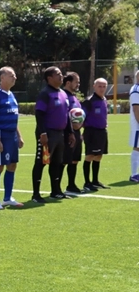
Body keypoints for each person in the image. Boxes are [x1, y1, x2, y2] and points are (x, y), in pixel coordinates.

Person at [30, 66, 74, 202]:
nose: (61, 76)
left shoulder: (63, 93)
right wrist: (42, 133)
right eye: (58, 74)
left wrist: (70, 133)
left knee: (57, 163)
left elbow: (66, 115)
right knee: (41, 163)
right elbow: (39, 114)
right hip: (48, 134)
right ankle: (36, 195)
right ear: (49, 78)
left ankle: (56, 191)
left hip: (60, 135)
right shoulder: (45, 93)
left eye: (61, 74)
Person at [0, 67, 24, 209]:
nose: (14, 77)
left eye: (14, 75)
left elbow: (14, 118)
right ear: (2, 77)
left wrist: (19, 136)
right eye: (11, 75)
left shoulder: (11, 95)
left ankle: (7, 197)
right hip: (2, 134)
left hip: (12, 136)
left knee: (12, 165)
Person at [82, 78, 109, 189]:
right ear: (94, 86)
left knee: (99, 156)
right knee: (90, 156)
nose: (102, 88)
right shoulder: (89, 101)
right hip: (91, 132)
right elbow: (81, 117)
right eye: (99, 86)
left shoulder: (104, 99)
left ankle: (95, 181)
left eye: (104, 86)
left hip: (102, 132)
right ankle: (87, 183)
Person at [61, 72, 84, 196]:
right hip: (67, 133)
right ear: (68, 83)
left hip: (76, 132)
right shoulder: (63, 96)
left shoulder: (75, 97)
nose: (78, 84)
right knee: (64, 160)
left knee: (75, 160)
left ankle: (71, 184)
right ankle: (57, 187)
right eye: (76, 82)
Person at [130, 71, 139, 182]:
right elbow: (136, 109)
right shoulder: (136, 90)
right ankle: (134, 174)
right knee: (137, 147)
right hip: (137, 125)